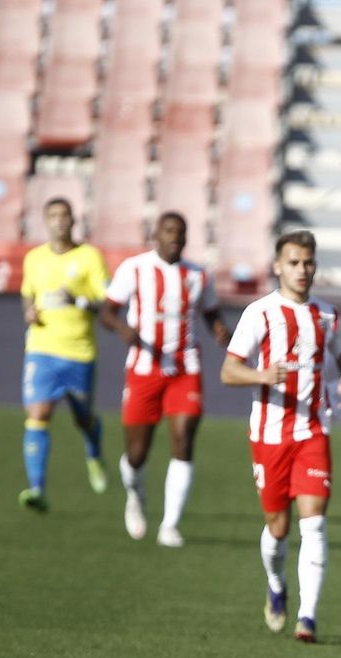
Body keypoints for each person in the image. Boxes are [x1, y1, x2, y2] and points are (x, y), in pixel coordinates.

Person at [220, 231, 341, 644]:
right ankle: (276, 585)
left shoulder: (328, 316)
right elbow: (229, 371)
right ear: (278, 266)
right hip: (269, 434)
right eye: (294, 262)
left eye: (308, 262)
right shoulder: (259, 314)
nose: (302, 270)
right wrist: (262, 375)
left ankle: (308, 618)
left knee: (313, 525)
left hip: (314, 430)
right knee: (278, 529)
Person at [98, 212, 229, 547]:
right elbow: (106, 311)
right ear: (155, 234)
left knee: (183, 440)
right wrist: (122, 328)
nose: (175, 237)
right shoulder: (134, 269)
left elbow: (210, 310)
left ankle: (170, 525)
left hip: (185, 368)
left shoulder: (198, 276)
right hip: (144, 368)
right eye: (169, 231)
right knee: (137, 453)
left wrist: (218, 328)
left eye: (181, 233)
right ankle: (136, 495)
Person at [17, 197, 111, 512]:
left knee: (83, 419)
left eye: (64, 215)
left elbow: (105, 303)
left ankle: (94, 451)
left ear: (74, 220)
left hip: (79, 352)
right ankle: (36, 488)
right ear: (45, 221)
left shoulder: (89, 257)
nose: (59, 221)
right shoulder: (34, 258)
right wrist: (28, 311)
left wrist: (78, 299)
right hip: (42, 349)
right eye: (53, 215)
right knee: (38, 414)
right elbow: (28, 294)